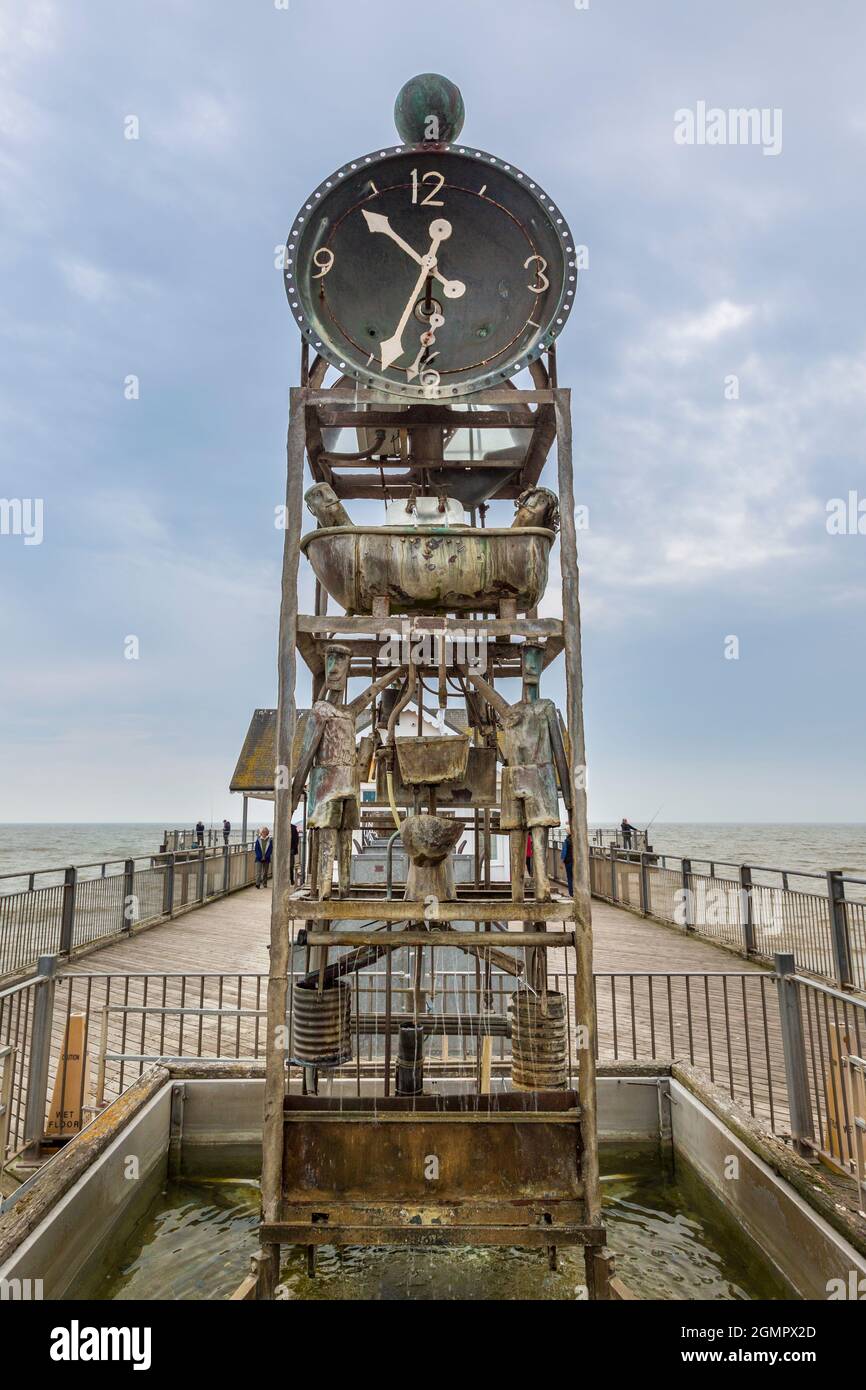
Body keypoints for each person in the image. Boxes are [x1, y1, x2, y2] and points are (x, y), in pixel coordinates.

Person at [561, 830, 574, 896]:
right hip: (575, 861)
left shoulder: (566, 841)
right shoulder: (575, 841)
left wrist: (562, 861)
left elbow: (564, 852)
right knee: (575, 877)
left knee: (569, 877)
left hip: (568, 861)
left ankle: (571, 893)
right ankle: (577, 891)